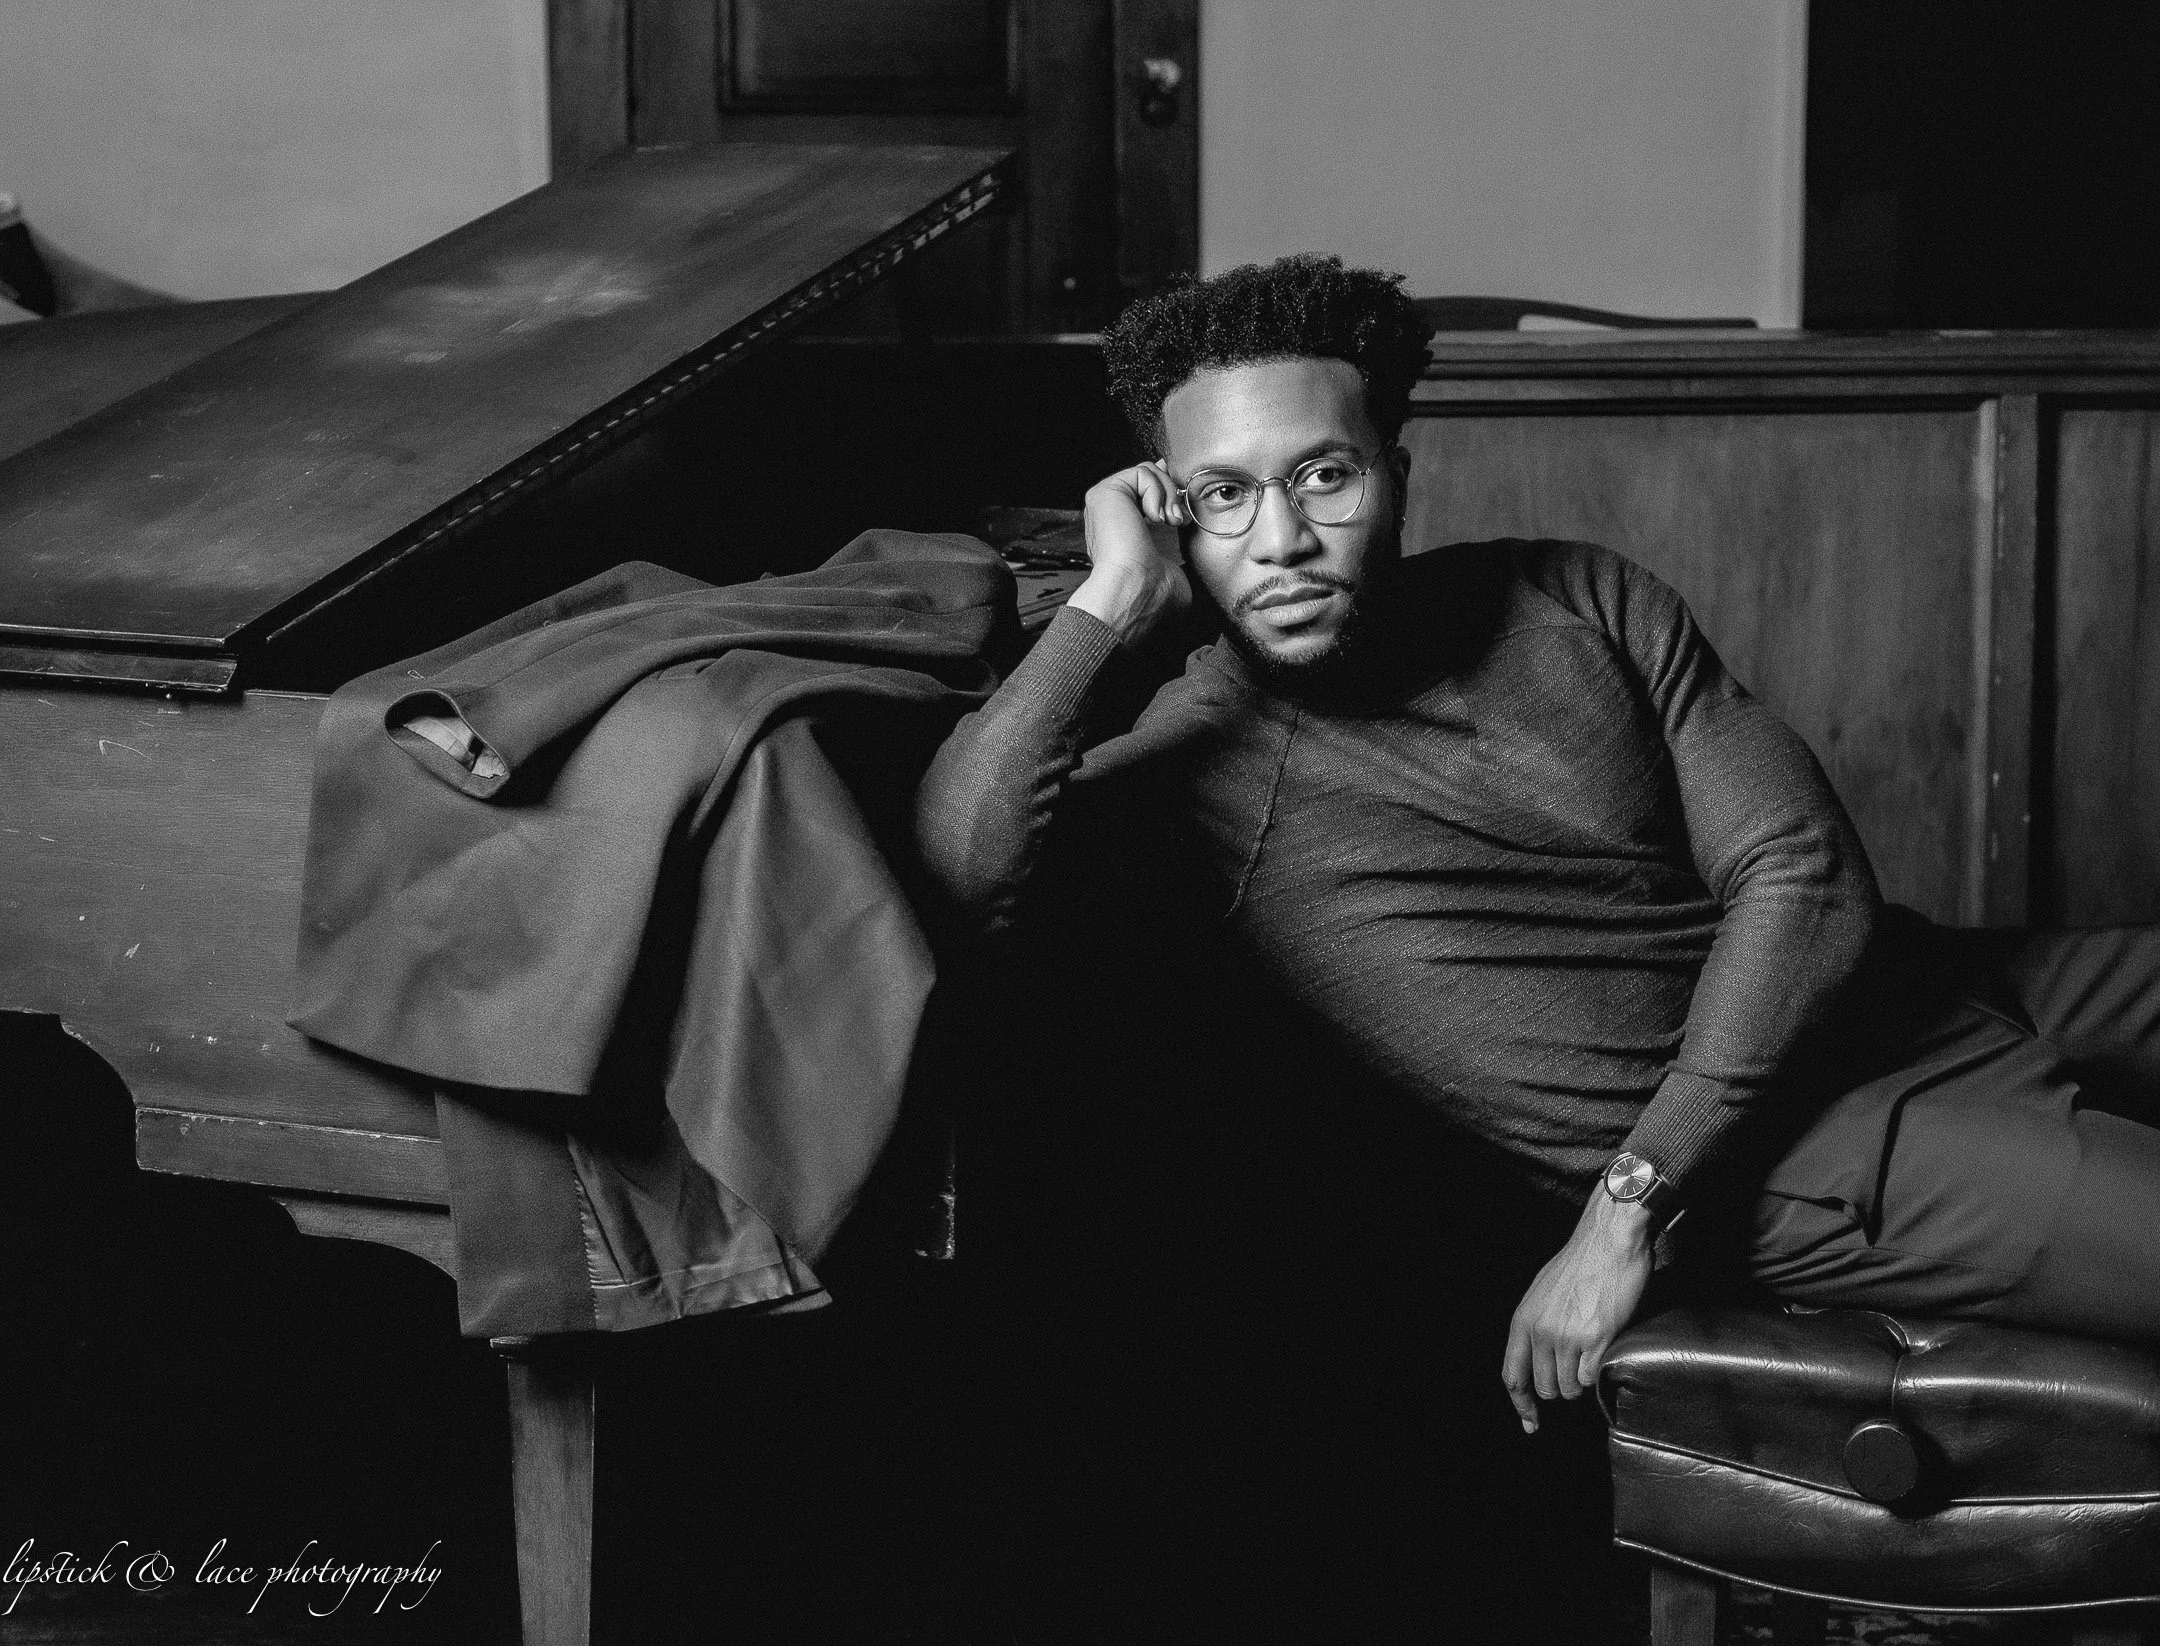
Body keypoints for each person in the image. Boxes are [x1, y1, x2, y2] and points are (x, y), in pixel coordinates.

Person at [912, 253, 2160, 1440]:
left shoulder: (1571, 594)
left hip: (1922, 987)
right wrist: (1105, 602)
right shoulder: (1203, 764)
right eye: (1225, 495)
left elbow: (1804, 877)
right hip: (1822, 1158)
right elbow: (958, 861)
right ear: (1177, 518)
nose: (1281, 540)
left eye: (1323, 478)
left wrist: (1617, 1218)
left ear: (1395, 475)